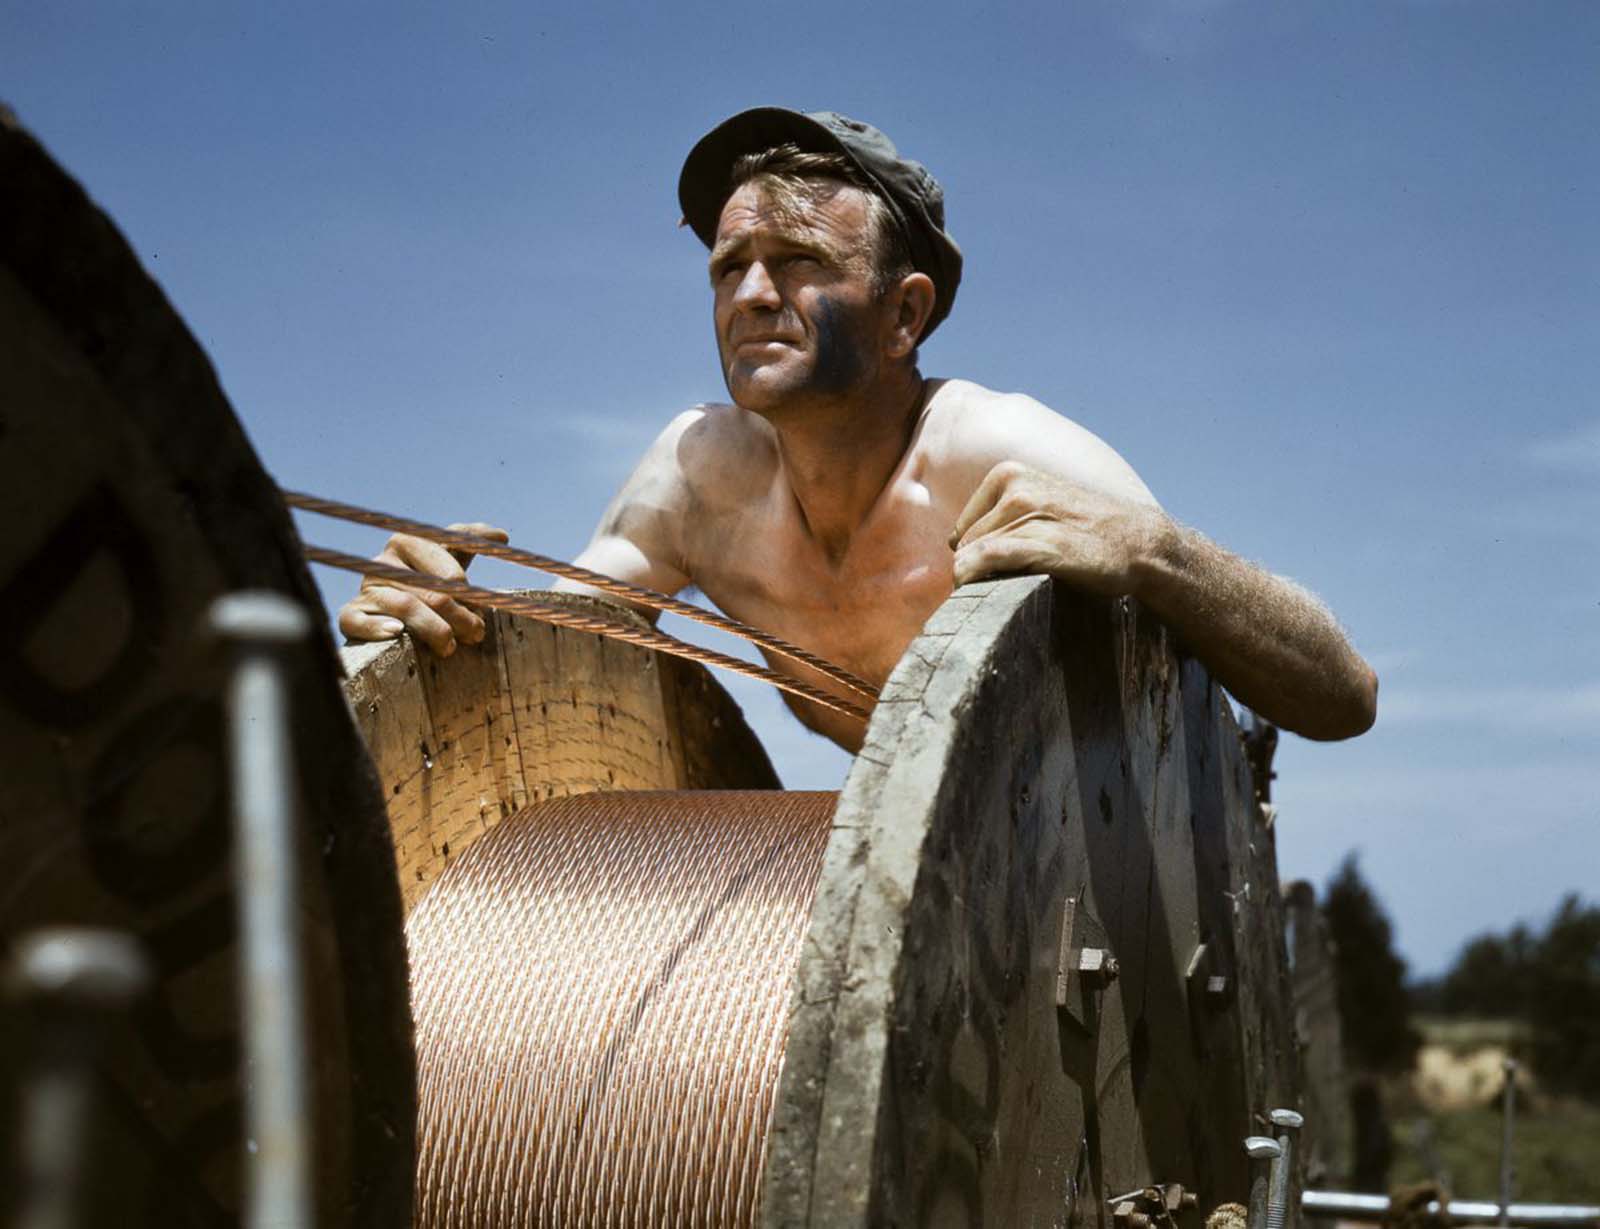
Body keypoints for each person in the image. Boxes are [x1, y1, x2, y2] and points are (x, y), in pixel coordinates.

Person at [338, 107, 1377, 753]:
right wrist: (440, 611)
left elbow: (1343, 695)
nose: (749, 293)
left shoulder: (996, 451)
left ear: (904, 314)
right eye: (726, 267)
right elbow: (557, 641)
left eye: (797, 263)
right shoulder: (702, 471)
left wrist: (1159, 553)